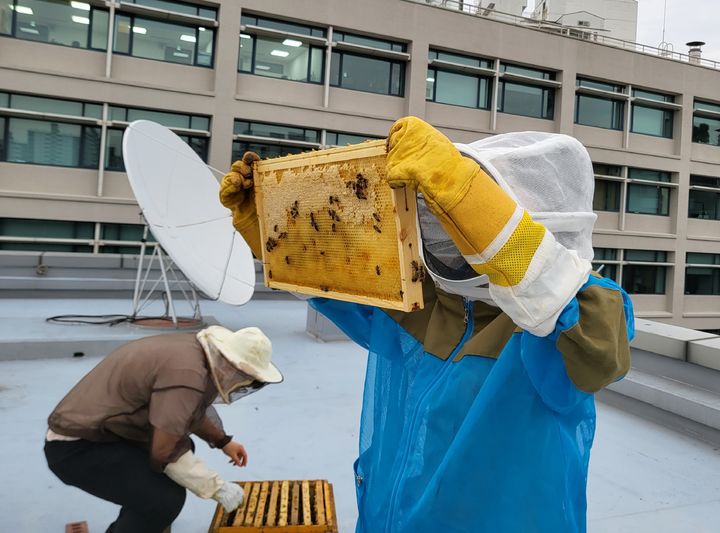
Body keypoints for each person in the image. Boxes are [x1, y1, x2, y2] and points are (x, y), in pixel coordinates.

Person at [220, 117, 633, 533]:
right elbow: (339, 291)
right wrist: (275, 239)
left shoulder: (577, 316)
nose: (447, 231)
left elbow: (593, 344)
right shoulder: (431, 302)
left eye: (465, 214)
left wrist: (469, 197)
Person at [44, 325, 282, 533]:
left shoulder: (193, 353)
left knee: (181, 453)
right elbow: (164, 450)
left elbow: (186, 412)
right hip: (76, 447)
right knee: (164, 500)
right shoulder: (186, 374)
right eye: (244, 376)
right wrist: (218, 488)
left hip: (107, 430)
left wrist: (223, 441)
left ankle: (144, 522)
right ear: (232, 366)